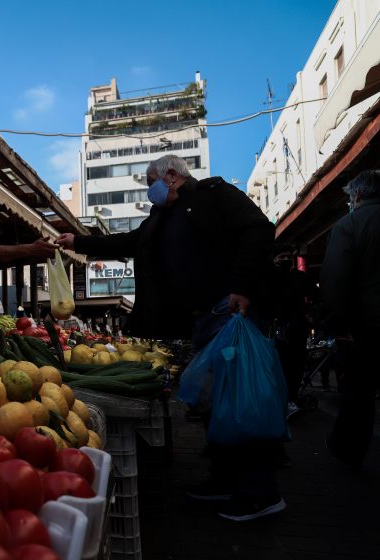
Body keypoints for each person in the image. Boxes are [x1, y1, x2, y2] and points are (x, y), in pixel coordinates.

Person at [58, 154, 284, 522]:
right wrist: (77, 241)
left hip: (229, 314)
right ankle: (225, 481)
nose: (149, 190)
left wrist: (242, 287)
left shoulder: (215, 196)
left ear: (172, 176)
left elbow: (258, 229)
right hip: (200, 321)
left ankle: (261, 492)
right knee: (213, 404)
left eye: (151, 182)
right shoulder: (160, 219)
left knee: (240, 402)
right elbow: (128, 243)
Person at [320, 169, 380, 469]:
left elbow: (335, 281)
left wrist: (339, 325)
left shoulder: (350, 225)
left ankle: (348, 450)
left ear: (356, 195)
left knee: (359, 394)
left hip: (366, 327)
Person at [271, 246, 318, 419]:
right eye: (281, 256)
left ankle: (288, 400)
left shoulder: (293, 278)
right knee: (288, 366)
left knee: (290, 366)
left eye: (286, 257)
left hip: (291, 330)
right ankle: (287, 400)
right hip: (285, 329)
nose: (284, 260)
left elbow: (315, 294)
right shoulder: (278, 278)